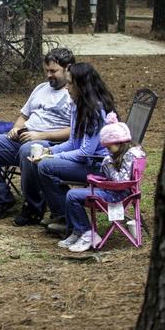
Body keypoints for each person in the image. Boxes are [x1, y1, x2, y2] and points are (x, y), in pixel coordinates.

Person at [0, 48, 75, 222]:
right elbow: (24, 115)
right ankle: (2, 199)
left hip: (50, 146)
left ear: (68, 68)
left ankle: (33, 208)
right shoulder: (41, 88)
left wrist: (41, 136)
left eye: (53, 71)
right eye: (47, 70)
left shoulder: (73, 94)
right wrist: (16, 128)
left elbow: (74, 131)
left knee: (29, 150)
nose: (49, 75)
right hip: (23, 138)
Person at [29, 62, 116, 229]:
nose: (67, 87)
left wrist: (52, 157)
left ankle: (67, 219)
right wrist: (49, 150)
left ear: (81, 85)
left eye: (70, 83)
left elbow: (85, 152)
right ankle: (62, 215)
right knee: (43, 163)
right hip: (89, 161)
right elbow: (72, 143)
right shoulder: (78, 105)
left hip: (100, 166)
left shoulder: (95, 110)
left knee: (46, 166)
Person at [58, 112, 146, 252]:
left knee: (72, 196)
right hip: (114, 192)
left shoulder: (129, 155)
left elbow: (120, 181)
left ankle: (87, 234)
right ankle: (79, 231)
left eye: (109, 147)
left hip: (117, 196)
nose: (108, 151)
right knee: (71, 195)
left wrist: (107, 165)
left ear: (119, 142)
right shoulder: (125, 154)